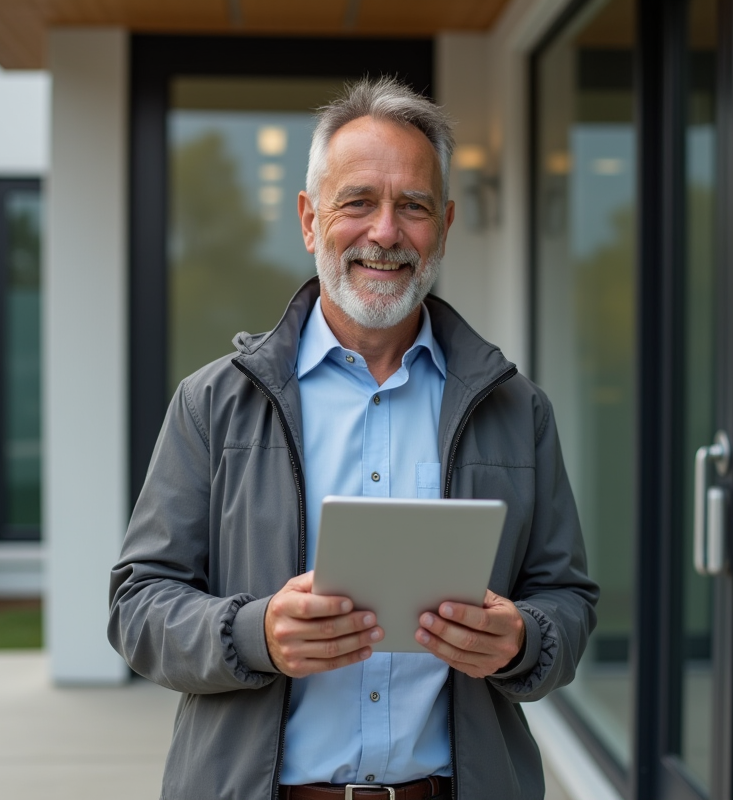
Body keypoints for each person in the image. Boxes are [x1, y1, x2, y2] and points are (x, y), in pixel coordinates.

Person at [109, 76, 598, 800]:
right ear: (310, 220)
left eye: (413, 206)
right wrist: (255, 634)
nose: (385, 232)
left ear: (446, 224)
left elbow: (568, 598)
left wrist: (525, 640)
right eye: (358, 202)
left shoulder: (517, 409)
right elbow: (138, 605)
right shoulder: (213, 404)